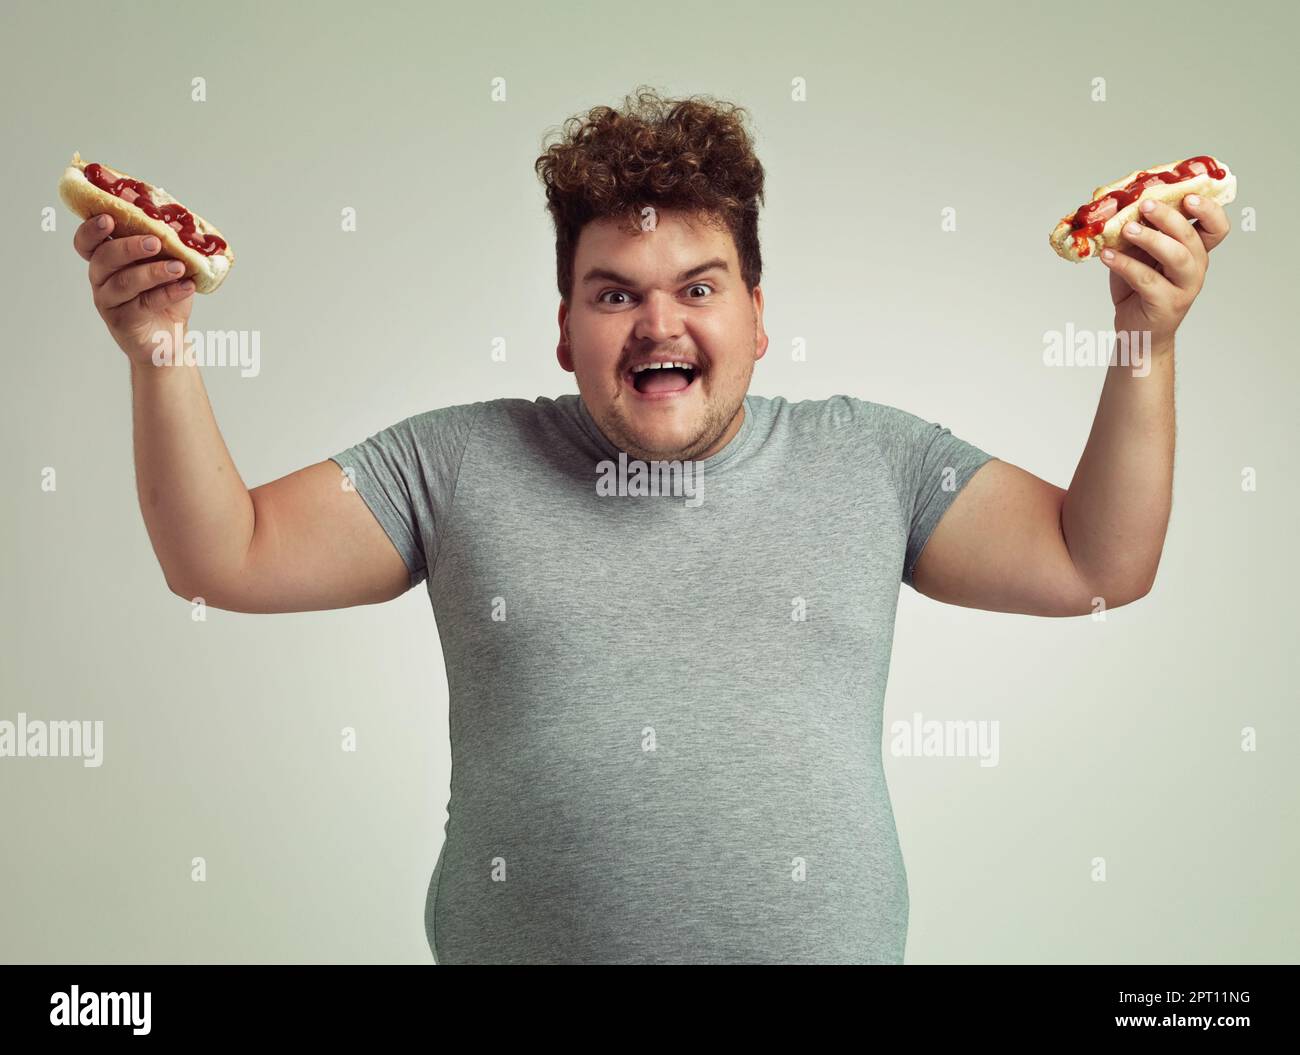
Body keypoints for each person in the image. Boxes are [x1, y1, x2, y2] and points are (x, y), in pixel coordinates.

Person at [69, 87, 1231, 964]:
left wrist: (1144, 337)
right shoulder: (456, 460)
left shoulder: (872, 458)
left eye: (699, 285)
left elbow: (1096, 562)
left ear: (759, 317)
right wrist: (162, 348)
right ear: (564, 327)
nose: (655, 321)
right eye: (614, 291)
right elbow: (221, 555)